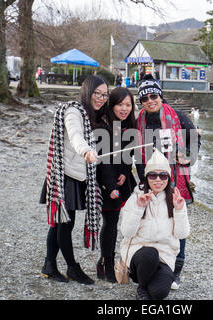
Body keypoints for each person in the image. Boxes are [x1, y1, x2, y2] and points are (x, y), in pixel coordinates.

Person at [39, 75, 109, 285]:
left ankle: (49, 265)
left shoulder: (93, 114)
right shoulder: (73, 111)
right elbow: (75, 135)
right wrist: (86, 151)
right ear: (87, 91)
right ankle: (72, 268)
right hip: (65, 176)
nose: (101, 98)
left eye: (105, 95)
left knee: (59, 224)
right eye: (97, 93)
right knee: (65, 225)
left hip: (78, 174)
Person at [135, 74, 201, 290]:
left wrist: (187, 154)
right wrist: (140, 178)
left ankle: (176, 271)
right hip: (150, 180)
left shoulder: (178, 117)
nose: (150, 101)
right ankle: (158, 265)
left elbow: (195, 139)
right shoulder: (139, 122)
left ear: (160, 95)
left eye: (153, 95)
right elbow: (136, 153)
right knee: (153, 222)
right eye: (144, 99)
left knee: (177, 225)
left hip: (175, 179)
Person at [119, 149, 190, 300]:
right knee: (150, 254)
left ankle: (145, 287)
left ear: (168, 178)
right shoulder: (136, 197)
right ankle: (141, 286)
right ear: (146, 178)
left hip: (165, 254)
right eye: (153, 175)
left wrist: (179, 211)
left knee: (159, 292)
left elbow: (182, 234)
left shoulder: (174, 199)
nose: (158, 180)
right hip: (139, 251)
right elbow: (127, 232)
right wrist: (139, 208)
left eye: (163, 175)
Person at [95, 87, 137, 283]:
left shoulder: (129, 124)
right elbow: (104, 161)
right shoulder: (103, 126)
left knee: (128, 220)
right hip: (105, 182)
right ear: (112, 104)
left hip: (124, 181)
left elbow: (129, 156)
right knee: (110, 222)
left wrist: (124, 172)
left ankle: (128, 261)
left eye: (128, 105)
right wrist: (111, 185)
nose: (124, 108)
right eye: (120, 104)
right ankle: (105, 262)